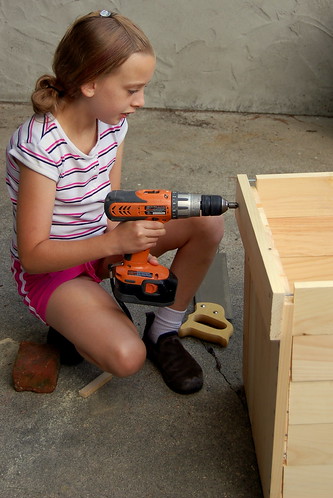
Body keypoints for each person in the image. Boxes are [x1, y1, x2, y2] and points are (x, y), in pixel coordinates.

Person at [6, 10, 224, 394]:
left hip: (101, 244)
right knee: (126, 357)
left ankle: (164, 331)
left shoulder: (112, 124)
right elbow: (34, 256)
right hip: (53, 271)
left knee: (208, 222)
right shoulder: (40, 145)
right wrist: (115, 245)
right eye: (131, 89)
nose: (140, 101)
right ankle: (70, 323)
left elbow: (112, 205)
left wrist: (127, 253)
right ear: (90, 83)